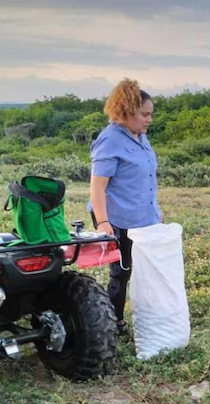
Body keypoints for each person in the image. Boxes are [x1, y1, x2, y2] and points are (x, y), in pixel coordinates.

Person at [88, 78, 162, 334]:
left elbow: (146, 179)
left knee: (148, 271)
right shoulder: (110, 141)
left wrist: (155, 216)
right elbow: (97, 186)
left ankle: (148, 319)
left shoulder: (140, 137)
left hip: (144, 217)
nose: (149, 119)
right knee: (122, 273)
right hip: (117, 218)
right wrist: (103, 222)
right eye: (144, 114)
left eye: (151, 114)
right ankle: (114, 323)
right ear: (127, 112)